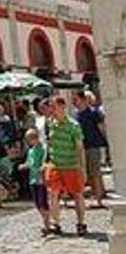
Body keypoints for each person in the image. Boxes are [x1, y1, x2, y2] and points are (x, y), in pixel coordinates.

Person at [45, 96, 88, 236]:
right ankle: (55, 224)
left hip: (71, 165)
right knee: (53, 193)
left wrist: (82, 168)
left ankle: (81, 223)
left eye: (54, 107)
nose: (51, 110)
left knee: (77, 194)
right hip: (55, 165)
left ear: (62, 107)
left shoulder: (73, 125)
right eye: (50, 107)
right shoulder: (51, 123)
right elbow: (49, 143)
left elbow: (79, 148)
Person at [73, 91, 108, 209]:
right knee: (87, 174)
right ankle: (94, 196)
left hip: (93, 146)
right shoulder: (75, 114)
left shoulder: (93, 112)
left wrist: (105, 142)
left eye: (76, 99)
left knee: (95, 173)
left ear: (83, 99)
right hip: (81, 147)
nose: (74, 102)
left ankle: (98, 199)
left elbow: (101, 127)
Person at [19, 128, 50, 236]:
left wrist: (42, 167)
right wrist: (24, 166)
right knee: (37, 203)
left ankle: (47, 224)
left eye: (33, 138)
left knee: (43, 202)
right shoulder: (30, 151)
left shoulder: (42, 149)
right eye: (29, 139)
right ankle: (46, 221)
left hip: (40, 179)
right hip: (32, 179)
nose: (32, 141)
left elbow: (44, 162)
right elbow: (29, 162)